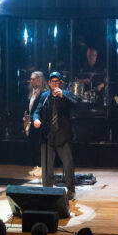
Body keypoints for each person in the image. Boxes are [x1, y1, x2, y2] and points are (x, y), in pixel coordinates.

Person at [31, 72, 77, 200]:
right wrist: (36, 119)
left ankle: (71, 190)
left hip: (63, 136)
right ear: (49, 83)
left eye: (57, 82)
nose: (55, 84)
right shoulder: (45, 96)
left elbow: (74, 105)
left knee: (68, 165)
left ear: (60, 83)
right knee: (46, 167)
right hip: (48, 136)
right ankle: (47, 191)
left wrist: (63, 96)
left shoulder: (66, 94)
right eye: (53, 82)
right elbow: (36, 111)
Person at [25, 71, 47, 179]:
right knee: (33, 145)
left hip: (40, 123)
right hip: (32, 122)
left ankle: (42, 167)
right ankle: (37, 165)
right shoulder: (33, 92)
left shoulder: (44, 92)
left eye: (33, 79)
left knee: (39, 145)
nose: (31, 81)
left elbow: (41, 110)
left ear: (39, 80)